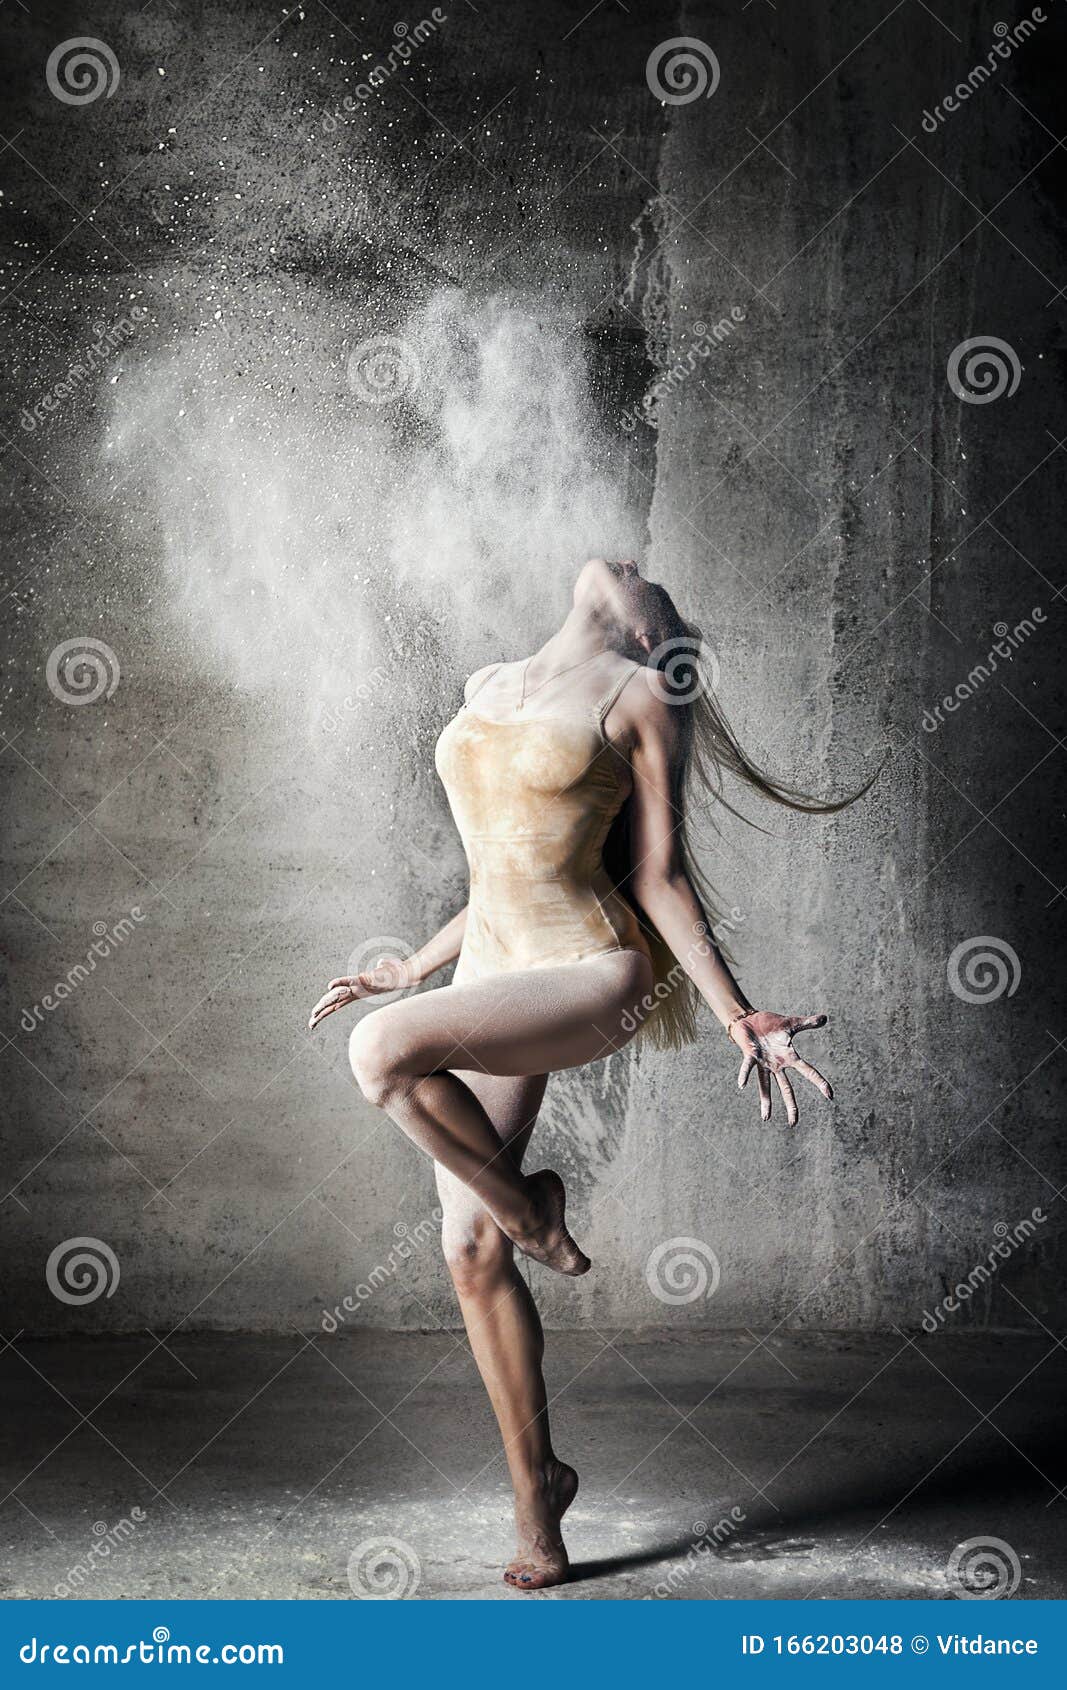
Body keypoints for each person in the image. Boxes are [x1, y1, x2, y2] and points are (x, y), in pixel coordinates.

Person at [310, 557, 852, 1591]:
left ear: (653, 635)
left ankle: (535, 1215)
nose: (634, 569)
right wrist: (408, 967)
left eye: (658, 591)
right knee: (468, 1249)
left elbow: (653, 874)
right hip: (489, 969)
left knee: (377, 1051)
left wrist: (738, 1013)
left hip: (591, 974)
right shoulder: (486, 685)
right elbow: (506, 870)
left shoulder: (643, 695)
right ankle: (540, 1504)